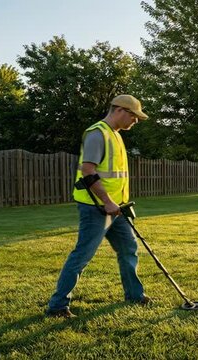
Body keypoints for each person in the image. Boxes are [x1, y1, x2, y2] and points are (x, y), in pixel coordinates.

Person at [46, 95, 150, 318]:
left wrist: (117, 204)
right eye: (134, 116)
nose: (136, 121)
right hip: (96, 208)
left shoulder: (116, 136)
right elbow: (88, 171)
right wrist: (108, 202)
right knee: (82, 255)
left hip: (117, 208)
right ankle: (57, 306)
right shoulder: (97, 134)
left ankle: (134, 294)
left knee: (129, 249)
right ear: (120, 110)